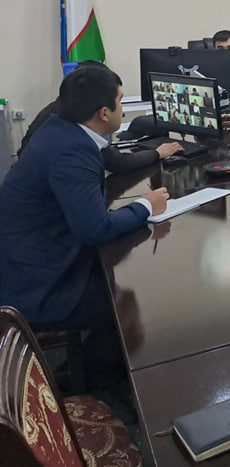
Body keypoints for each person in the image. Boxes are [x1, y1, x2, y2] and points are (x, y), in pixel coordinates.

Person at [0, 65, 169, 394]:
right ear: (104, 113)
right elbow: (94, 229)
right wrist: (145, 206)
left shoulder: (60, 128)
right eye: (120, 102)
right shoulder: (72, 150)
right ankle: (104, 390)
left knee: (117, 279)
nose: (123, 109)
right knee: (126, 306)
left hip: (30, 257)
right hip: (34, 284)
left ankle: (84, 371)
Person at [18, 61, 183, 172]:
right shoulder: (72, 124)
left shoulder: (58, 109)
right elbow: (118, 163)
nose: (121, 109)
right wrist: (157, 153)